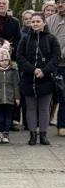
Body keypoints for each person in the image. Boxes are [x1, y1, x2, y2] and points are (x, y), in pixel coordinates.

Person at [16, 12, 61, 145]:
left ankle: (43, 134)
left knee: (44, 108)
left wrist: (44, 71)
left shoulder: (51, 39)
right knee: (30, 108)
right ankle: (32, 135)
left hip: (46, 79)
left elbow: (55, 57)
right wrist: (33, 69)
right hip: (29, 79)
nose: (35, 24)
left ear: (44, 23)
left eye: (38, 21)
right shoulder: (25, 39)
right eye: (33, 21)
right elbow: (20, 57)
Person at [0, 47, 20, 143]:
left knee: (8, 118)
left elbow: (16, 84)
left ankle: (6, 133)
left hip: (9, 98)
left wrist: (17, 97)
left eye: (6, 60)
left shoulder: (13, 71)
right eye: (2, 60)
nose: (4, 62)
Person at [47, 0, 65, 137]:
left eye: (63, 2)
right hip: (53, 64)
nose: (60, 4)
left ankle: (62, 125)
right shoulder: (50, 20)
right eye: (58, 2)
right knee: (57, 95)